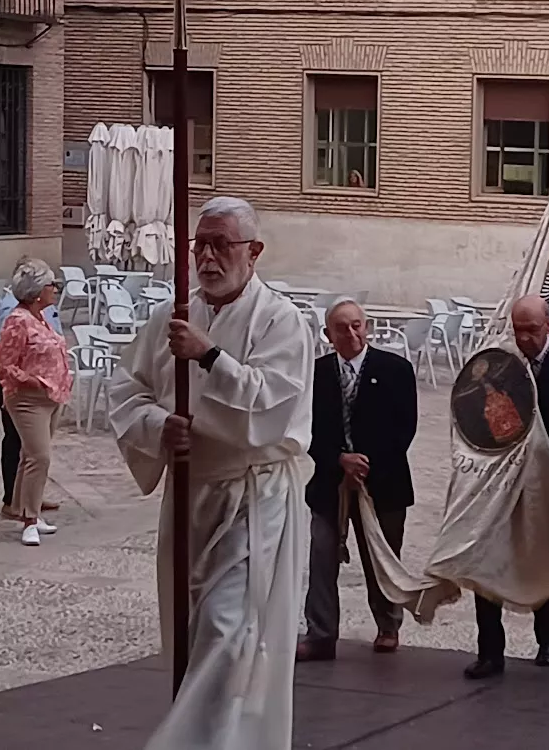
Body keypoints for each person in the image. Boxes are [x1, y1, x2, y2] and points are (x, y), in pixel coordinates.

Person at [109, 196, 314, 750]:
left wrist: (208, 357)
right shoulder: (173, 316)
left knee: (233, 633)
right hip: (191, 496)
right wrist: (160, 426)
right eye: (200, 244)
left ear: (254, 251)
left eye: (221, 244)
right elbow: (128, 389)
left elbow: (271, 406)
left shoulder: (282, 320)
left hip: (254, 498)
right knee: (195, 635)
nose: (207, 256)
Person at [466, 296, 549, 678]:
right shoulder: (499, 369)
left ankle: (548, 641)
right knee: (489, 563)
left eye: (532, 330)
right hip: (501, 488)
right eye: (519, 330)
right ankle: (489, 651)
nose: (525, 338)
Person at [298, 298, 419, 662]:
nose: (351, 334)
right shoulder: (315, 374)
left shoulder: (395, 369)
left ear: (366, 327)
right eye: (341, 328)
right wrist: (338, 458)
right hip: (328, 483)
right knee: (322, 554)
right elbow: (305, 428)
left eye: (356, 325)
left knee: (380, 558)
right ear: (327, 334)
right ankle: (321, 634)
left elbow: (405, 428)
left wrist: (365, 464)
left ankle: (388, 626)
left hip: (382, 482)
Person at [0, 259, 71, 546]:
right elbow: (5, 364)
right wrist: (33, 381)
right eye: (51, 285)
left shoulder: (43, 317)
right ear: (38, 290)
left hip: (51, 397)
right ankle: (28, 520)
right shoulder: (17, 320)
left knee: (30, 456)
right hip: (28, 399)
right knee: (40, 456)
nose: (55, 290)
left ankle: (29, 509)